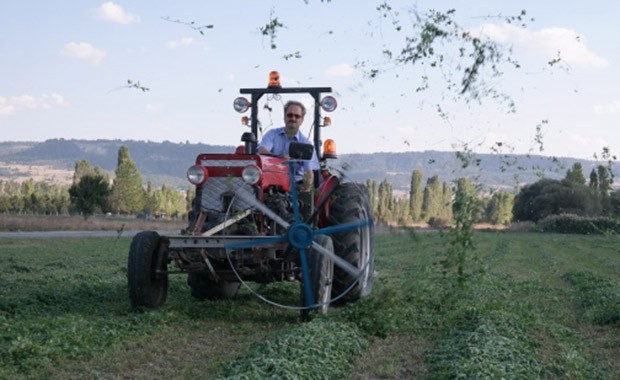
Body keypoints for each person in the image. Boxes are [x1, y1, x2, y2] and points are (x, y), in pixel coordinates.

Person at [257, 100, 319, 191]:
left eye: (297, 116)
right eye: (289, 115)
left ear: (301, 120)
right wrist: (279, 158)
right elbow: (262, 150)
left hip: (296, 184)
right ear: (284, 117)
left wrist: (306, 190)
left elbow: (308, 171)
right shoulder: (272, 134)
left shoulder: (306, 144)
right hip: (271, 181)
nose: (293, 118)